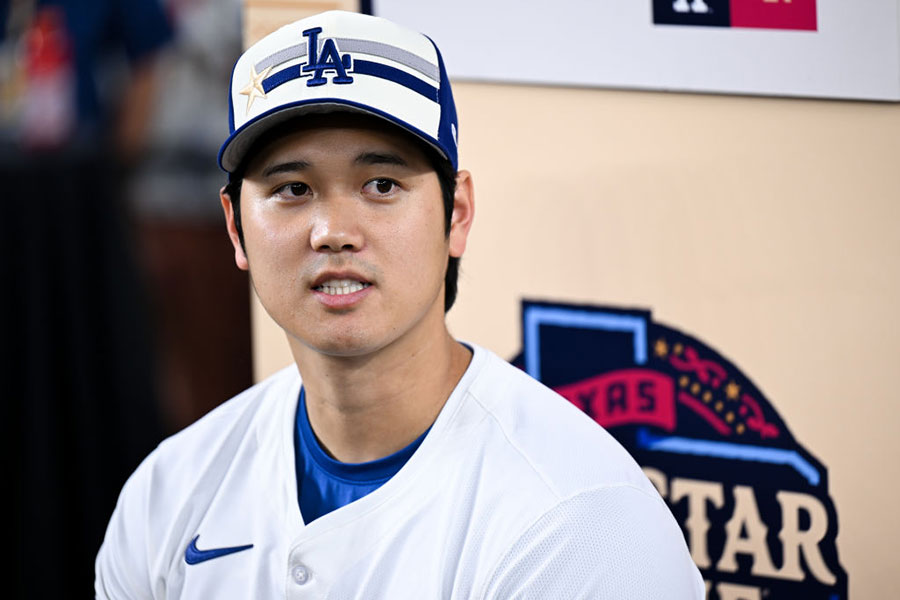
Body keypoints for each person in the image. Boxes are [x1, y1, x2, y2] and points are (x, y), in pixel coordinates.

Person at [95, 10, 704, 599]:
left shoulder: (581, 522)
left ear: (456, 214)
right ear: (235, 229)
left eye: (381, 185)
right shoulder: (168, 494)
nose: (333, 230)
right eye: (292, 189)